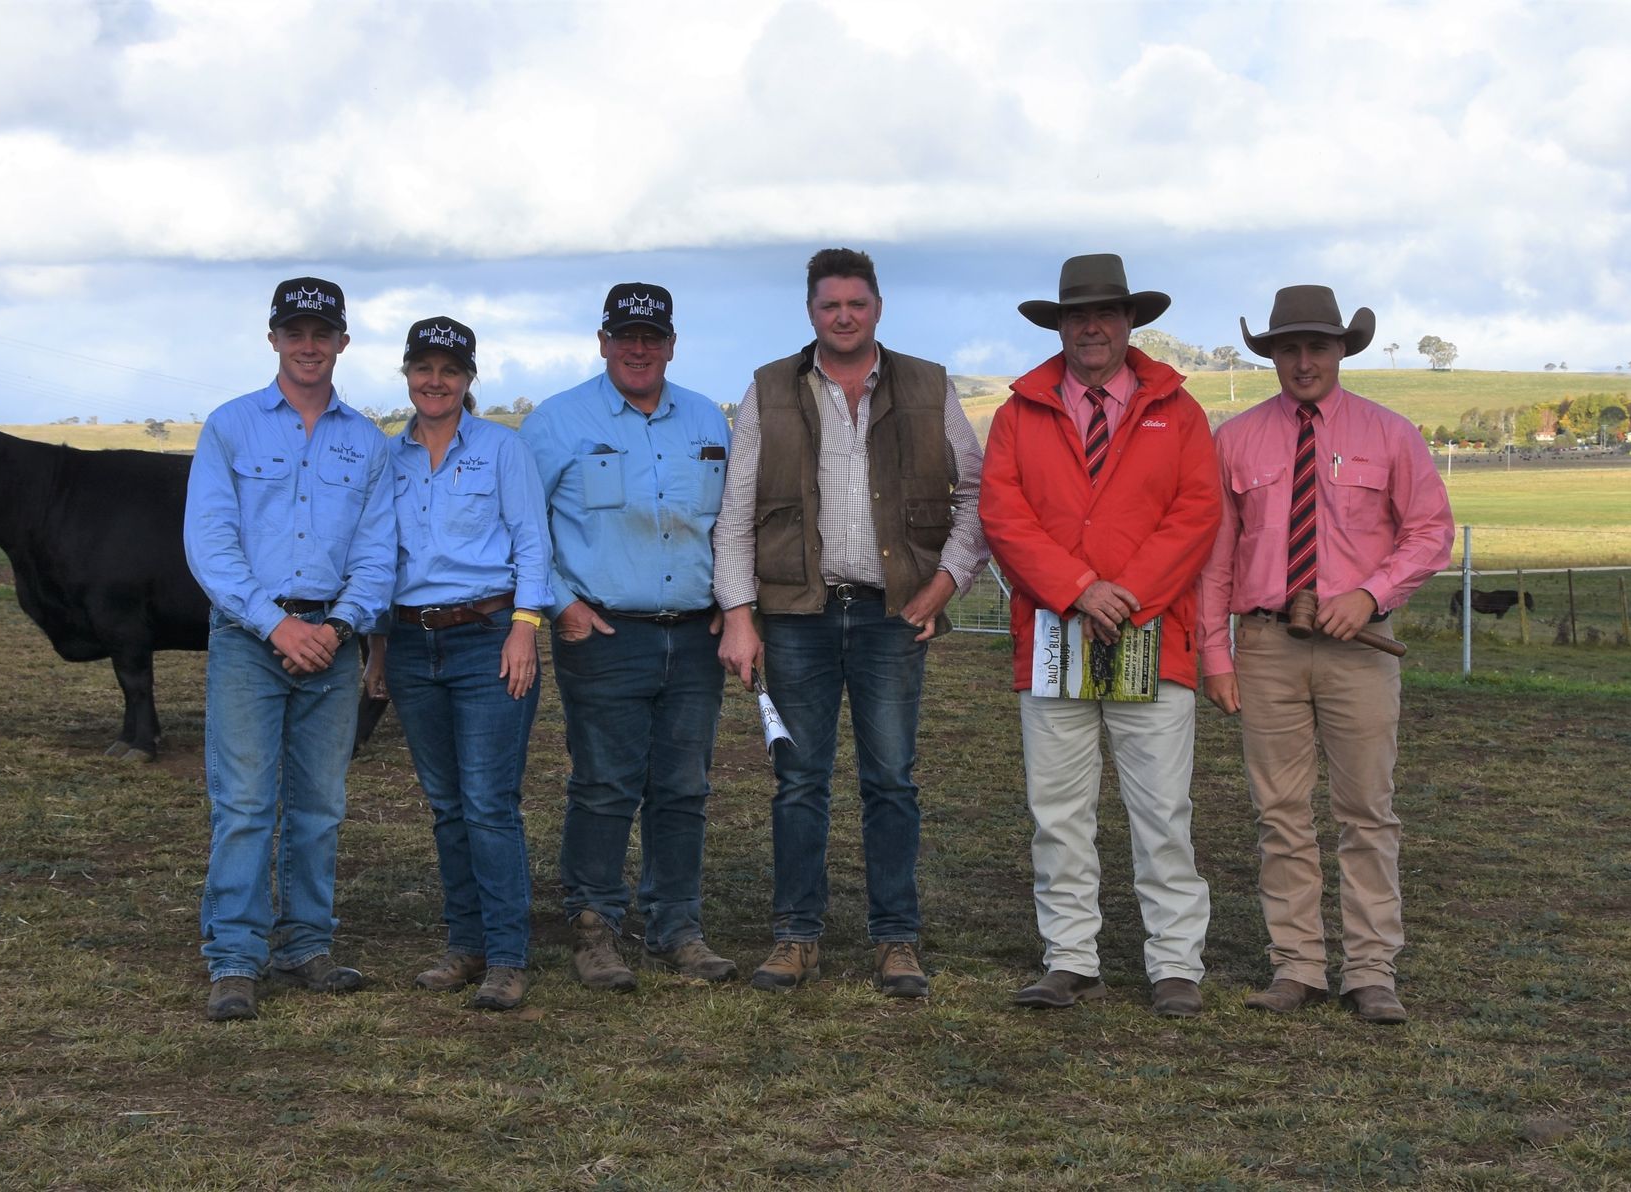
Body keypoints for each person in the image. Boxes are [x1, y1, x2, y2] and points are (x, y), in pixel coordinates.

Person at [713, 247, 987, 998]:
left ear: (878, 308)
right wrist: (739, 615)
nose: (843, 316)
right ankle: (796, 936)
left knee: (891, 781)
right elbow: (736, 514)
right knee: (798, 781)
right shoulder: (770, 388)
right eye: (829, 304)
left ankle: (895, 939)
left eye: (856, 304)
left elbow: (978, 494)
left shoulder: (929, 385)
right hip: (795, 614)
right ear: (811, 311)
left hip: (890, 614)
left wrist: (944, 583)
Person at [1198, 285, 1454, 1025]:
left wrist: (1370, 595)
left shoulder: (1391, 433)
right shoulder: (1236, 440)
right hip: (1268, 644)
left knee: (1366, 811)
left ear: (1342, 350)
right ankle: (1298, 966)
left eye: (1316, 346)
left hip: (1358, 648)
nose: (1302, 361)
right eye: (1287, 348)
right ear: (1271, 355)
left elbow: (1430, 531)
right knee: (1279, 813)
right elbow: (1215, 558)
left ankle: (1372, 970)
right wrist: (1215, 653)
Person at [978, 254, 1220, 1017]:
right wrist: (1079, 590)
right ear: (1060, 325)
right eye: (1077, 316)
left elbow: (1196, 514)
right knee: (1057, 809)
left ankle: (1176, 963)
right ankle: (1070, 956)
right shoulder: (1019, 413)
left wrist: (1129, 595)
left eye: (1106, 314)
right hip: (1053, 636)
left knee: (1161, 811)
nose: (1091, 327)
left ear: (1129, 323)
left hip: (1153, 634)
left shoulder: (1178, 412)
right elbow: (1002, 516)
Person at [184, 276, 396, 1022]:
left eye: (322, 333)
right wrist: (276, 624)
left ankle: (307, 944)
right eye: (294, 332)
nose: (309, 346)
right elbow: (209, 545)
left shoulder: (367, 442)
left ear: (342, 341)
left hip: (332, 645)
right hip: (250, 640)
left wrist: (337, 629)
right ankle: (235, 958)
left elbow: (378, 556)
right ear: (272, 338)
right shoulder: (231, 427)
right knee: (244, 803)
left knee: (320, 806)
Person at [516, 284, 736, 991]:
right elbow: (519, 525)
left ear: (671, 344)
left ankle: (677, 927)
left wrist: (733, 604)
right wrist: (560, 606)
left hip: (695, 635)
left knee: (683, 787)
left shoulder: (707, 419)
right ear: (603, 340)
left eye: (653, 337)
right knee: (604, 785)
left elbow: (732, 522)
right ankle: (593, 926)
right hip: (603, 633)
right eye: (626, 336)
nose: (639, 349)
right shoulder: (557, 422)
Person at [361, 317, 551, 1012]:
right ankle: (463, 944)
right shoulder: (388, 458)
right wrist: (378, 649)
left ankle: (506, 955)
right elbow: (379, 559)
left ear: (470, 379)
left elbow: (533, 542)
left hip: (488, 637)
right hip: (412, 644)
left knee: (489, 804)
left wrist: (525, 628)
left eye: (449, 369)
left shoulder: (502, 449)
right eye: (422, 368)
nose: (434, 381)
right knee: (446, 807)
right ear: (406, 374)